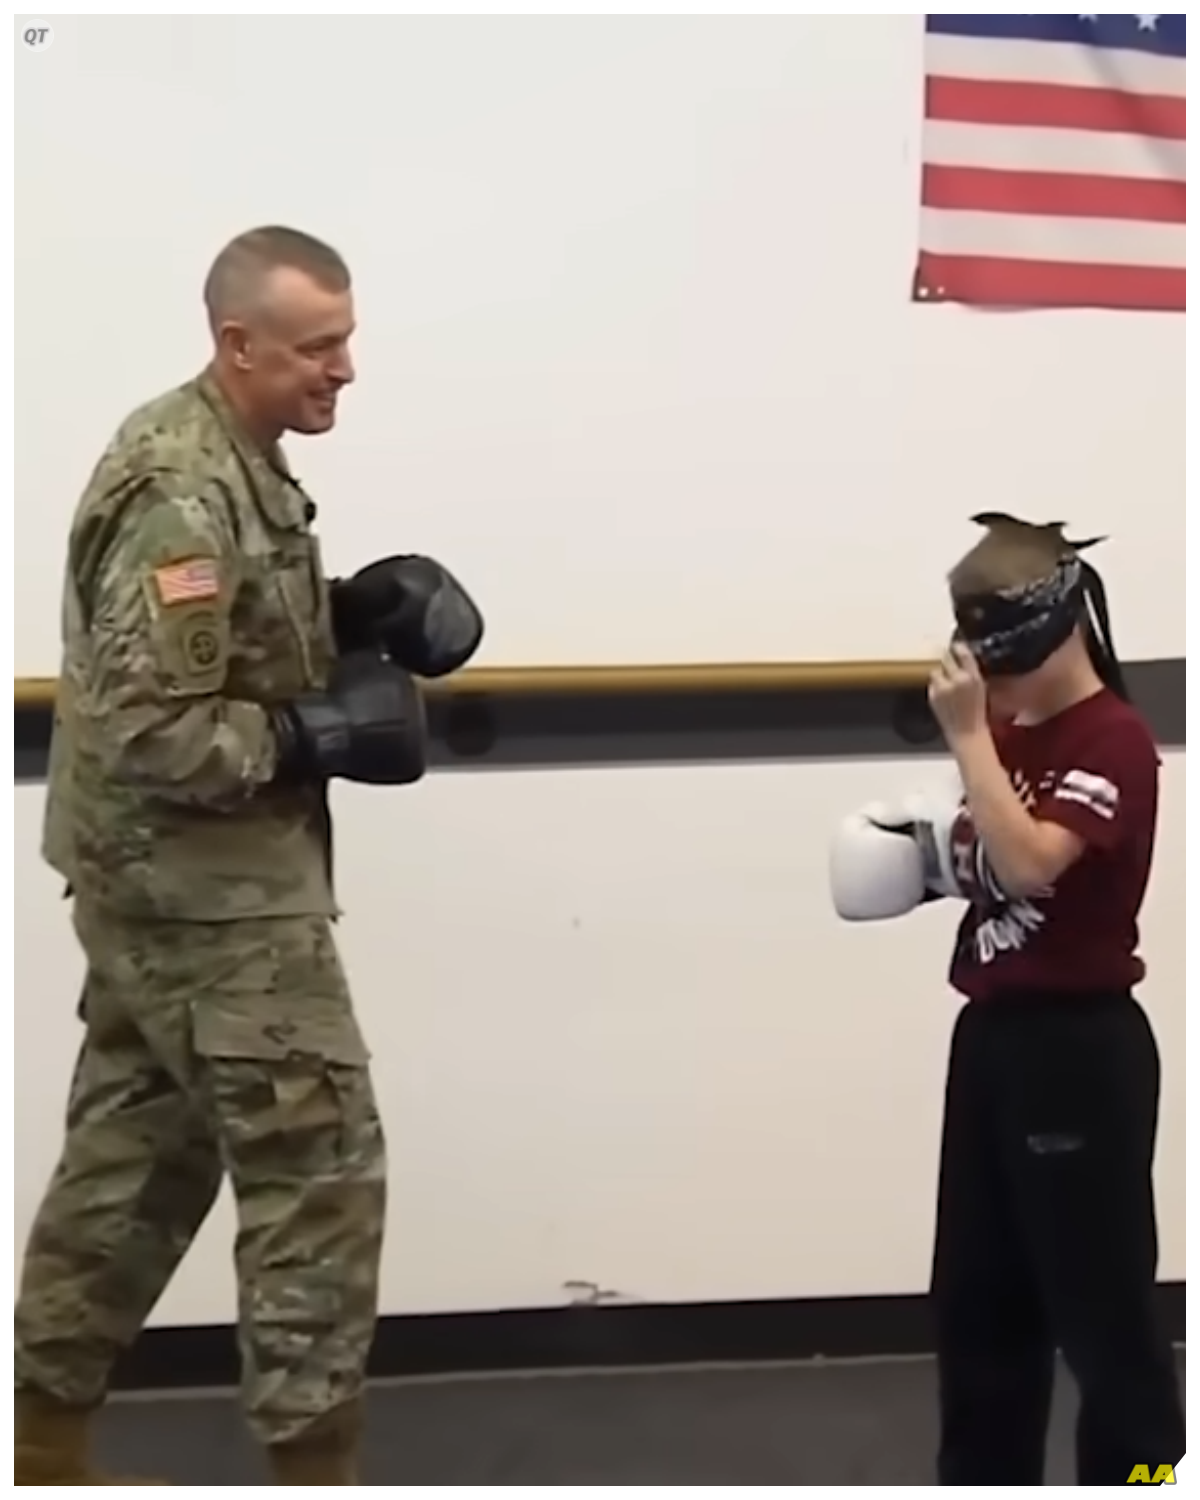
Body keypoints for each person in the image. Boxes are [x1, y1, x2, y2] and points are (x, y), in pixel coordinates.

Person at [14, 225, 485, 1485]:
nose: (344, 370)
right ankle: (309, 1467)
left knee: (136, 1164)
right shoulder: (181, 487)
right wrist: (306, 734)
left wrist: (339, 618)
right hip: (208, 897)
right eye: (318, 347)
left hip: (168, 890)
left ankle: (37, 1441)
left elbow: (210, 642)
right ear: (239, 343)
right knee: (320, 1170)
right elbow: (153, 730)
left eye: (347, 341)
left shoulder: (232, 459)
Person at [829, 513, 1184, 1485]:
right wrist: (925, 861)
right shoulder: (1007, 727)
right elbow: (993, 862)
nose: (996, 686)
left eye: (1008, 664)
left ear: (1064, 631)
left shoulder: (1113, 740)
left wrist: (964, 738)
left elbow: (1030, 864)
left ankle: (1145, 1480)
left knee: (1102, 1308)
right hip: (992, 1036)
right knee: (980, 1301)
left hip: (1081, 1047)